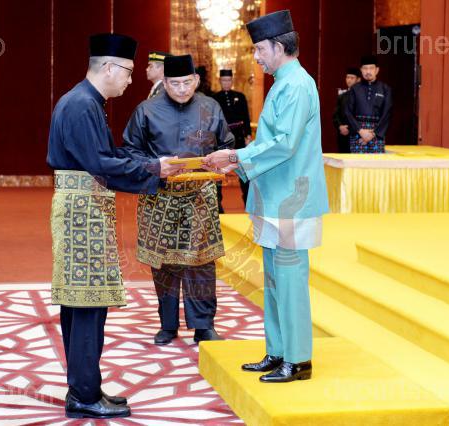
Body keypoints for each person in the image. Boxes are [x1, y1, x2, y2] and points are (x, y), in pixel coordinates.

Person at [47, 33, 183, 419]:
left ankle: (85, 387)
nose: (130, 80)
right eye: (127, 72)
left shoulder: (86, 102)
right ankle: (84, 394)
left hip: (85, 210)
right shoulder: (81, 105)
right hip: (82, 214)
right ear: (108, 68)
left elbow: (106, 155)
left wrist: (152, 164)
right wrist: (154, 169)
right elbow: (101, 164)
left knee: (85, 304)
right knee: (86, 305)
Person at [204, 9, 329, 383]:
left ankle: (298, 359)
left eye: (259, 49)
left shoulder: (297, 85)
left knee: (289, 281)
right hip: (275, 196)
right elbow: (271, 142)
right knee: (274, 280)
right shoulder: (282, 83)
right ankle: (278, 351)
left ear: (278, 46)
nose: (256, 56)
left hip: (292, 199)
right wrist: (237, 162)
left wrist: (236, 157)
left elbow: (285, 144)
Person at [122, 54, 235, 346]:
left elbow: (227, 144)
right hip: (160, 195)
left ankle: (204, 325)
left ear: (196, 80)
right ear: (165, 82)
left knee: (202, 262)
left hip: (200, 194)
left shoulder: (211, 107)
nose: (182, 89)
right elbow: (130, 151)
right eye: (175, 84)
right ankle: (168, 324)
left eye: (187, 82)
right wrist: (156, 165)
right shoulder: (146, 110)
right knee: (164, 263)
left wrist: (222, 161)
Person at [212, 69, 252, 205]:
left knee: (245, 173)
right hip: (221, 141)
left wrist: (248, 135)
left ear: (232, 81)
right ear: (220, 81)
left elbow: (246, 117)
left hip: (239, 140)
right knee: (218, 174)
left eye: (229, 80)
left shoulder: (240, 96)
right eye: (224, 80)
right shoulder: (214, 98)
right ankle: (218, 206)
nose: (226, 83)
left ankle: (248, 202)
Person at [344, 55, 392, 153]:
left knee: (376, 162)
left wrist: (373, 133)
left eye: (371, 68)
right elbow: (348, 112)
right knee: (357, 162)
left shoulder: (385, 89)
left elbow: (387, 113)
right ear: (361, 70)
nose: (368, 71)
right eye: (365, 68)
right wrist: (361, 131)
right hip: (358, 133)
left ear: (377, 70)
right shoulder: (354, 89)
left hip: (377, 134)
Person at [332, 67, 360, 153]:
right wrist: (340, 126)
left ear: (358, 80)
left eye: (352, 78)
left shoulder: (362, 97)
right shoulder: (342, 96)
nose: (349, 80)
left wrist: (350, 128)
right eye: (347, 77)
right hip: (343, 135)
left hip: (357, 135)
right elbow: (336, 115)